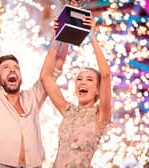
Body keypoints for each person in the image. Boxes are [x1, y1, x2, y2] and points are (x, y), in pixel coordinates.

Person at [41, 12, 112, 168]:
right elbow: (46, 77)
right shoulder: (68, 111)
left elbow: (106, 75)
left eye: (89, 79)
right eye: (79, 79)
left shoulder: (101, 115)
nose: (82, 83)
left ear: (97, 90)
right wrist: (57, 38)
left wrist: (92, 35)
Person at [0, 54, 47, 168]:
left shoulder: (32, 97)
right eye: (6, 67)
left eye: (16, 67)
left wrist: (58, 39)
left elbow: (52, 71)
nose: (12, 69)